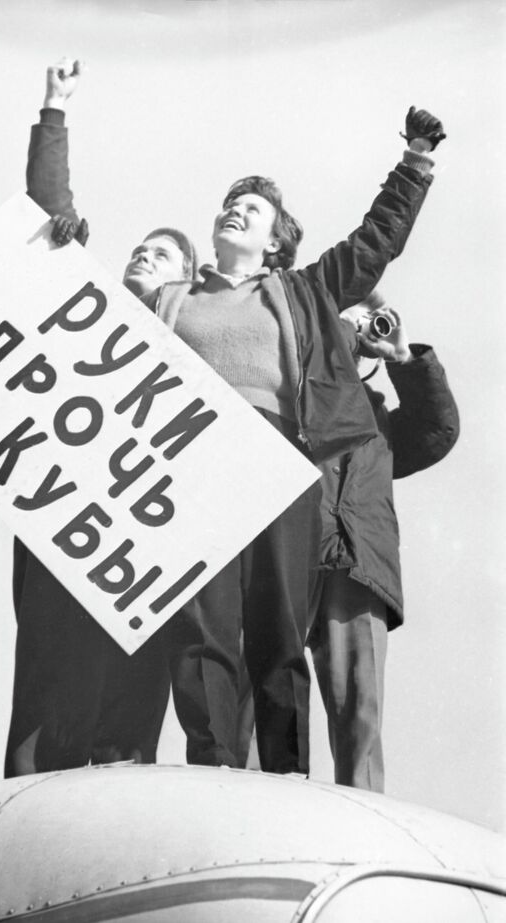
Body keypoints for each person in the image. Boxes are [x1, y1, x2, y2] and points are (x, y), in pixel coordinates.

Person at [141, 106, 446, 774]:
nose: (236, 210)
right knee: (200, 629)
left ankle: (282, 777)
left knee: (278, 628)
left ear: (277, 242)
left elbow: (375, 244)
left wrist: (416, 161)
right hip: (194, 467)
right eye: (229, 203)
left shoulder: (303, 291)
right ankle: (216, 767)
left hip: (277, 465)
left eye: (252, 207)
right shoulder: (170, 301)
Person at [5, 60, 198, 776]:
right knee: (52, 674)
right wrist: (54, 111)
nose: (145, 253)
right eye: (140, 247)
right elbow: (46, 206)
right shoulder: (91, 314)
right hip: (66, 525)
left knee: (134, 684)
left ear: (187, 280)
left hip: (145, 542)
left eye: (166, 254)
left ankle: (119, 781)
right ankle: (31, 799)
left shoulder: (195, 345)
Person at [305, 294, 459, 792]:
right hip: (290, 553)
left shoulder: (382, 422)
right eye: (344, 321)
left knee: (360, 708)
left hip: (357, 565)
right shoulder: (294, 385)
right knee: (270, 690)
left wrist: (404, 360)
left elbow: (439, 430)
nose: (357, 331)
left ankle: (364, 811)